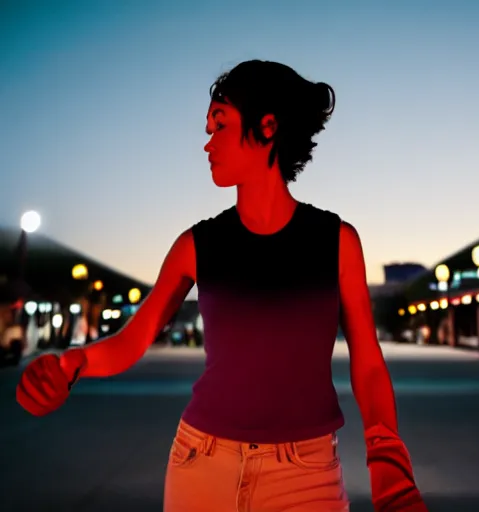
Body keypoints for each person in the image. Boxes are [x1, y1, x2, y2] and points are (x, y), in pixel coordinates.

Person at [16, 60, 427, 512]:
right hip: (200, 463)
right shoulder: (195, 244)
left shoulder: (337, 241)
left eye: (220, 125)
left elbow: (367, 361)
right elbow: (134, 339)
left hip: (306, 475)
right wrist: (68, 365)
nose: (207, 143)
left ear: (267, 126)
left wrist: (389, 465)